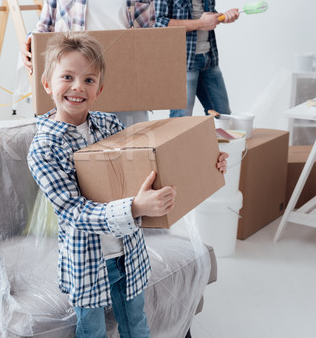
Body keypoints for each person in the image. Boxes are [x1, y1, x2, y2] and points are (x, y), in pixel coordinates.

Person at [27, 32, 228, 338]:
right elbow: (74, 213)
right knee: (92, 331)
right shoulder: (43, 148)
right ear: (47, 84)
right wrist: (135, 207)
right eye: (67, 77)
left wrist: (206, 162)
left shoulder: (109, 124)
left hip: (128, 251)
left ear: (100, 89)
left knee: (137, 325)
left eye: (89, 80)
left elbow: (146, 171)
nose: (78, 87)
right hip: (87, 260)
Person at [20, 0, 154, 126]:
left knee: (132, 148)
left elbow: (150, 35)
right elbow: (44, 28)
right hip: (78, 87)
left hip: (127, 85)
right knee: (78, 150)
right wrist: (29, 42)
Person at [153, 0, 240, 117]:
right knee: (182, 124)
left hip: (209, 57)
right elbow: (157, 24)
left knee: (224, 118)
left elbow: (204, 12)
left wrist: (223, 16)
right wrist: (200, 24)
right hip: (183, 62)